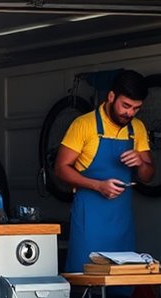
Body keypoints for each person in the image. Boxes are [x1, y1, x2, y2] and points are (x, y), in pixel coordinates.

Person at [55, 70, 154, 275]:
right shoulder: (84, 125)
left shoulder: (137, 129)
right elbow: (60, 168)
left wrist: (141, 163)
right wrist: (98, 186)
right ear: (111, 96)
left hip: (122, 221)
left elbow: (148, 176)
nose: (130, 113)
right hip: (89, 221)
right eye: (125, 105)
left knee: (121, 284)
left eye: (136, 108)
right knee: (86, 280)